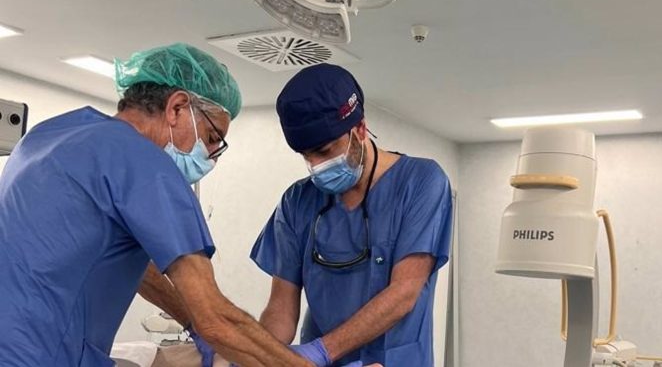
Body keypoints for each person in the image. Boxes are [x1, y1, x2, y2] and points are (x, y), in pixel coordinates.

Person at [0, 43, 366, 367]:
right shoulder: (148, 166)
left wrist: (191, 322)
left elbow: (123, 263)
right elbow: (216, 319)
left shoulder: (49, 134)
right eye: (212, 137)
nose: (212, 156)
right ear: (176, 107)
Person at [250, 63, 454, 366]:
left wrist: (321, 352)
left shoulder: (422, 182)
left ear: (359, 129)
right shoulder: (297, 201)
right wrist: (256, 354)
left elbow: (404, 292)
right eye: (306, 156)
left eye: (324, 151)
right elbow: (281, 310)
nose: (315, 165)